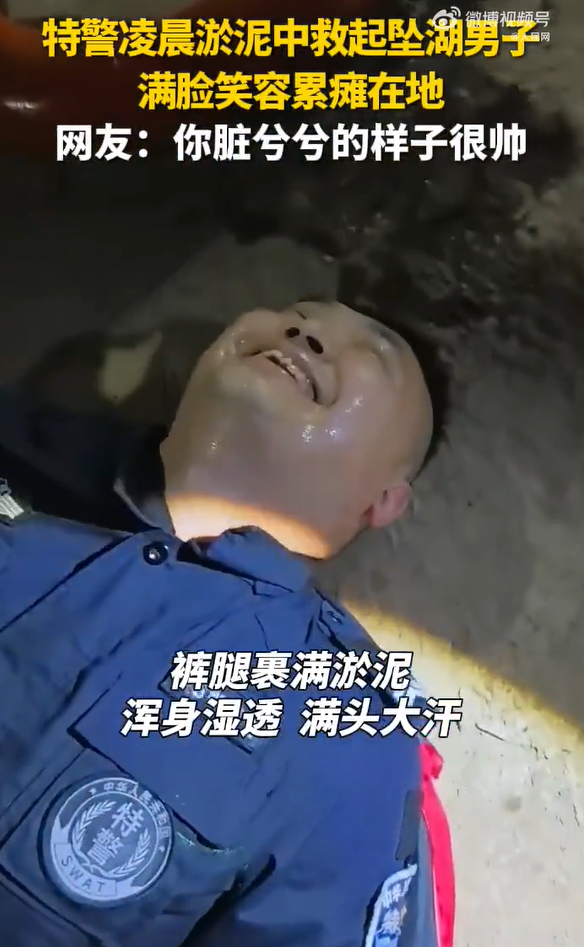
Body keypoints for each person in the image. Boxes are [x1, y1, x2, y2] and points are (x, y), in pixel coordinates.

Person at [0, 300, 454, 947]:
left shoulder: (344, 733)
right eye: (297, 312)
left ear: (384, 501)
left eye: (372, 354)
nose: (303, 332)